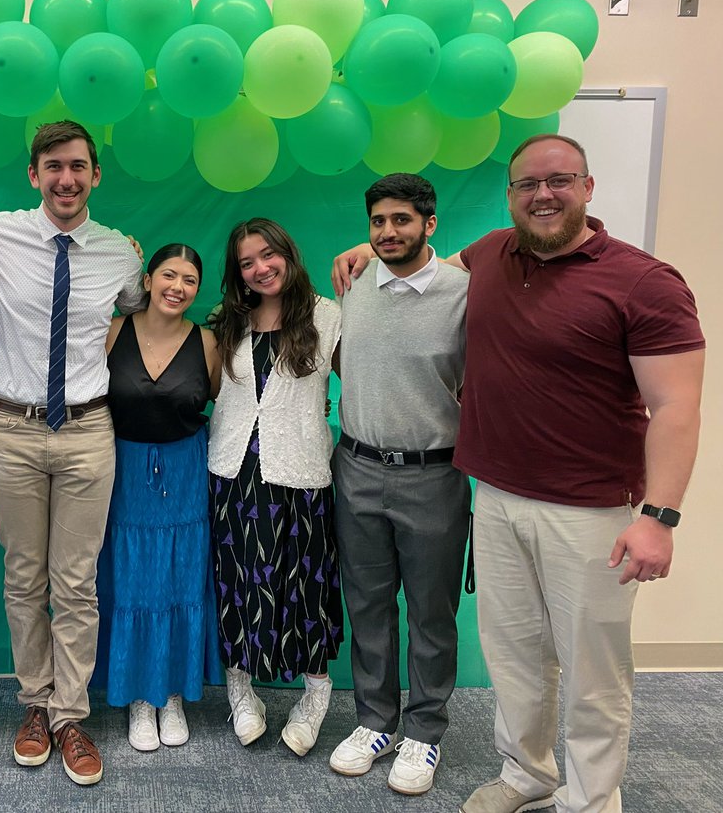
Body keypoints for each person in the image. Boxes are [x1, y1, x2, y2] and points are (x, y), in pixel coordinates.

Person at [332, 135, 705, 813]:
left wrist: (659, 517)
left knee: (592, 669)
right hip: (497, 495)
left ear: (587, 187)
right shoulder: (494, 256)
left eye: (558, 181)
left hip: (591, 508)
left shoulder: (643, 281)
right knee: (515, 657)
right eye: (527, 184)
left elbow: (677, 405)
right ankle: (527, 775)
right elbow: (423, 276)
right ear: (509, 196)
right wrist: (367, 253)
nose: (542, 194)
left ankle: (591, 799)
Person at [0, 120, 145, 786]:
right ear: (34, 176)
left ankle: (71, 715)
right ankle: (35, 705)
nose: (65, 178)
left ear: (95, 176)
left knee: (74, 582)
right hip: (9, 429)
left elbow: (130, 305)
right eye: (52, 166)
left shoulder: (119, 254)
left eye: (77, 166)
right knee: (23, 578)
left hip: (87, 431)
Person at [326, 174, 470, 797]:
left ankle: (425, 731)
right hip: (355, 467)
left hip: (433, 474)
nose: (388, 232)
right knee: (368, 606)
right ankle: (375, 722)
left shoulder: (465, 292)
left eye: (402, 221)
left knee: (432, 612)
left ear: (429, 225)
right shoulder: (353, 283)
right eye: (378, 221)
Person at [206, 217, 343, 758]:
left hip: (302, 477)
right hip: (233, 475)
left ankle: (314, 696)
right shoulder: (227, 323)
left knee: (305, 585)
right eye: (246, 262)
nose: (260, 268)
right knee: (237, 580)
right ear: (237, 273)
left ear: (288, 253)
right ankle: (242, 694)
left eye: (268, 255)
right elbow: (209, 389)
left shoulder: (328, 315)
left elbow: (360, 382)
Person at [95, 243, 224, 753]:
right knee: (130, 584)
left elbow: (214, 399)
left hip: (186, 475)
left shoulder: (209, 342)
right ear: (147, 281)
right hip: (122, 473)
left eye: (189, 280)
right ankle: (137, 698)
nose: (178, 287)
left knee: (179, 581)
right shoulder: (111, 331)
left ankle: (170, 693)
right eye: (168, 275)